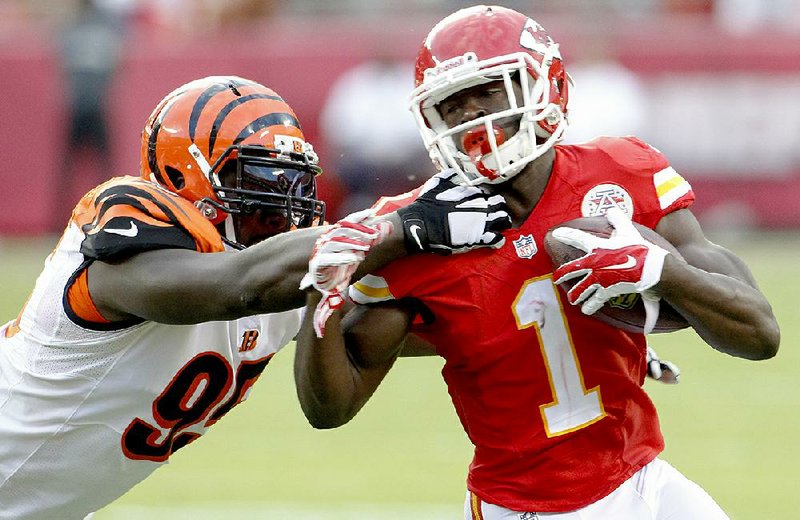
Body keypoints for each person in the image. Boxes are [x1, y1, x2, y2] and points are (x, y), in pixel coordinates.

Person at [294, 6, 780, 520]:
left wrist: (662, 270)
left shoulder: (619, 174)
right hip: (530, 506)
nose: (473, 116)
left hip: (643, 476)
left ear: (544, 85)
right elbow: (331, 407)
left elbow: (760, 334)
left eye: (489, 90)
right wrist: (319, 299)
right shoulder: (414, 232)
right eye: (453, 103)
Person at [0, 75, 511, 519]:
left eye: (293, 182)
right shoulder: (131, 238)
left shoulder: (283, 271)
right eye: (261, 178)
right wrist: (404, 225)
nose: (284, 204)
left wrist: (533, 285)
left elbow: (416, 318)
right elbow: (235, 286)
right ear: (184, 175)